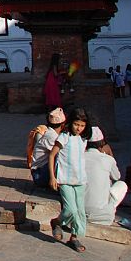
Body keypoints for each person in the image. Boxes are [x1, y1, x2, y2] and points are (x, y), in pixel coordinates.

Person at [48, 107, 90, 252]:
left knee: (79, 211)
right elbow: (52, 155)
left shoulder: (83, 139)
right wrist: (53, 177)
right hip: (65, 179)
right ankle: (57, 221)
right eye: (76, 124)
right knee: (70, 209)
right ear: (71, 123)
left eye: (82, 126)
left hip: (80, 180)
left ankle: (74, 237)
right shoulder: (64, 137)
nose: (79, 128)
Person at [84, 127, 127, 225]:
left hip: (80, 213)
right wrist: (110, 154)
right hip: (104, 217)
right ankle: (110, 210)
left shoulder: (79, 157)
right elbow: (117, 177)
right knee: (121, 185)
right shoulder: (108, 159)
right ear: (101, 144)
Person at [26, 108, 64, 189]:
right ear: (62, 124)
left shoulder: (51, 133)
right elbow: (62, 154)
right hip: (40, 174)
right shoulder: (51, 136)